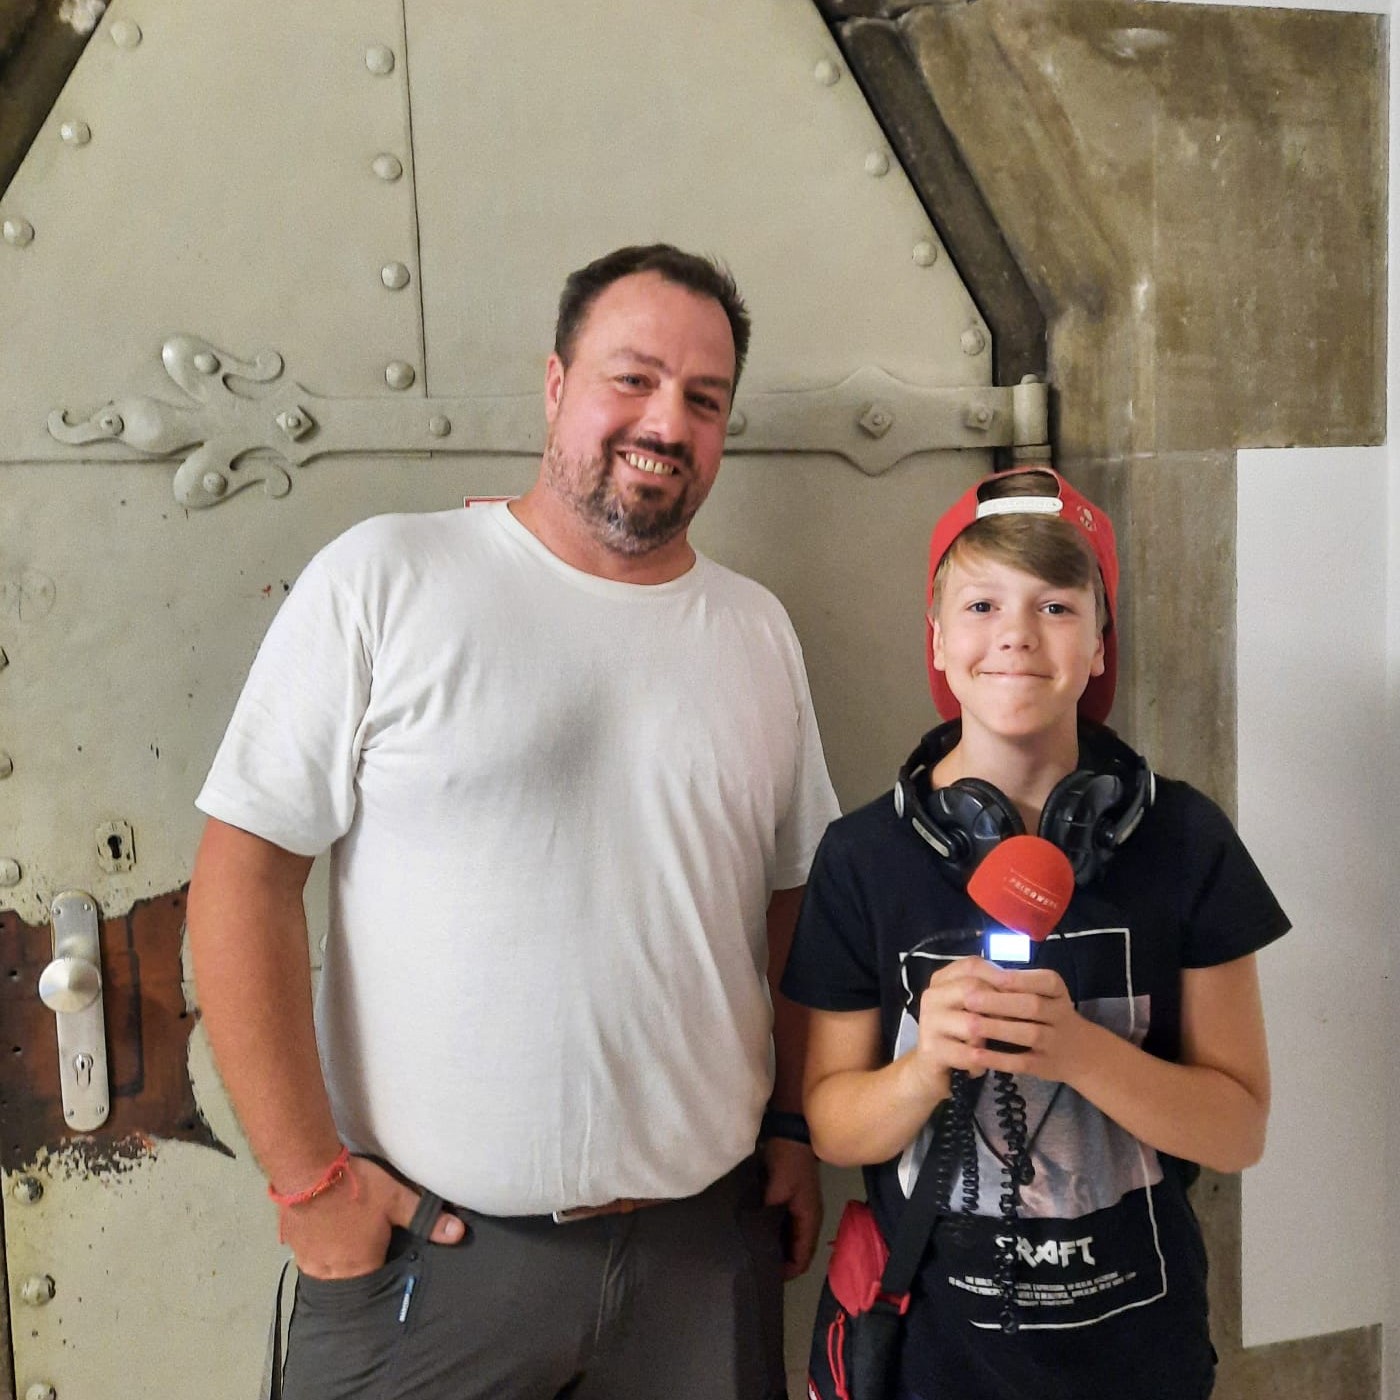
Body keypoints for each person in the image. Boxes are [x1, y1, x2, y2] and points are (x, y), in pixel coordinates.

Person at [187, 243, 841, 1400]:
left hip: (701, 1253)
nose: (664, 420)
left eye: (703, 398)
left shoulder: (754, 631)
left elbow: (793, 902)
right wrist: (304, 1180)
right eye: (630, 379)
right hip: (430, 1262)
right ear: (554, 385)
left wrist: (791, 1119)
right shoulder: (389, 577)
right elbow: (240, 879)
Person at [782, 466, 1289, 1400]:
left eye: (1057, 605)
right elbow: (835, 1123)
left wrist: (1080, 1053)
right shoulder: (862, 857)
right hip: (933, 1362)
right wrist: (925, 1066)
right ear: (938, 640)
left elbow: (1238, 1129)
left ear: (1101, 645)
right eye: (981, 602)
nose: (1015, 633)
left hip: (1140, 1361)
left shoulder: (1187, 840)